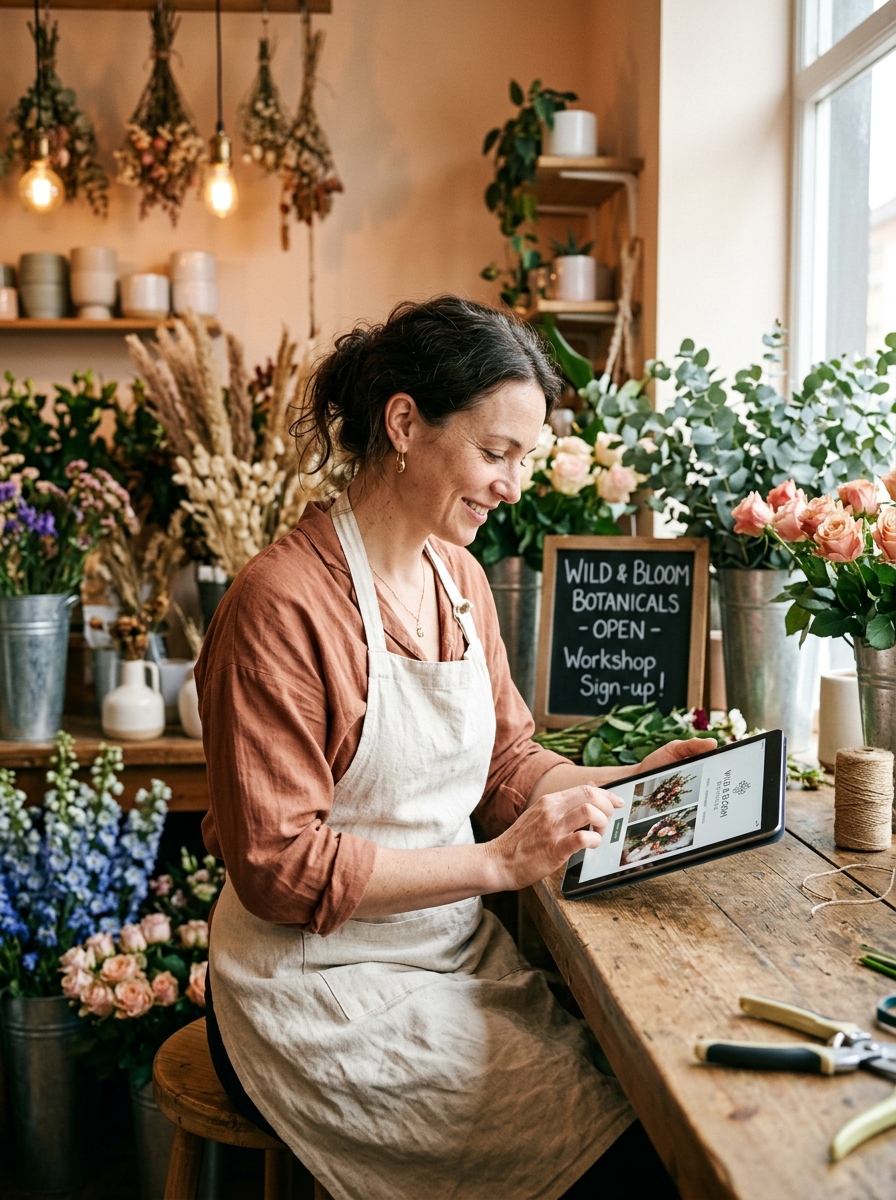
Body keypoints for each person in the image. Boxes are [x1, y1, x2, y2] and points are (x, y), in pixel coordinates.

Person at [196, 297, 712, 1200]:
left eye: (525, 457)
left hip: (447, 954)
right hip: (312, 994)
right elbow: (278, 869)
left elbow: (509, 763)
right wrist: (499, 862)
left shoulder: (459, 576)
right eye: (495, 452)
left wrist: (630, 780)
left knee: (649, 1104)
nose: (513, 485)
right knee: (624, 1163)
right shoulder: (280, 604)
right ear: (404, 423)